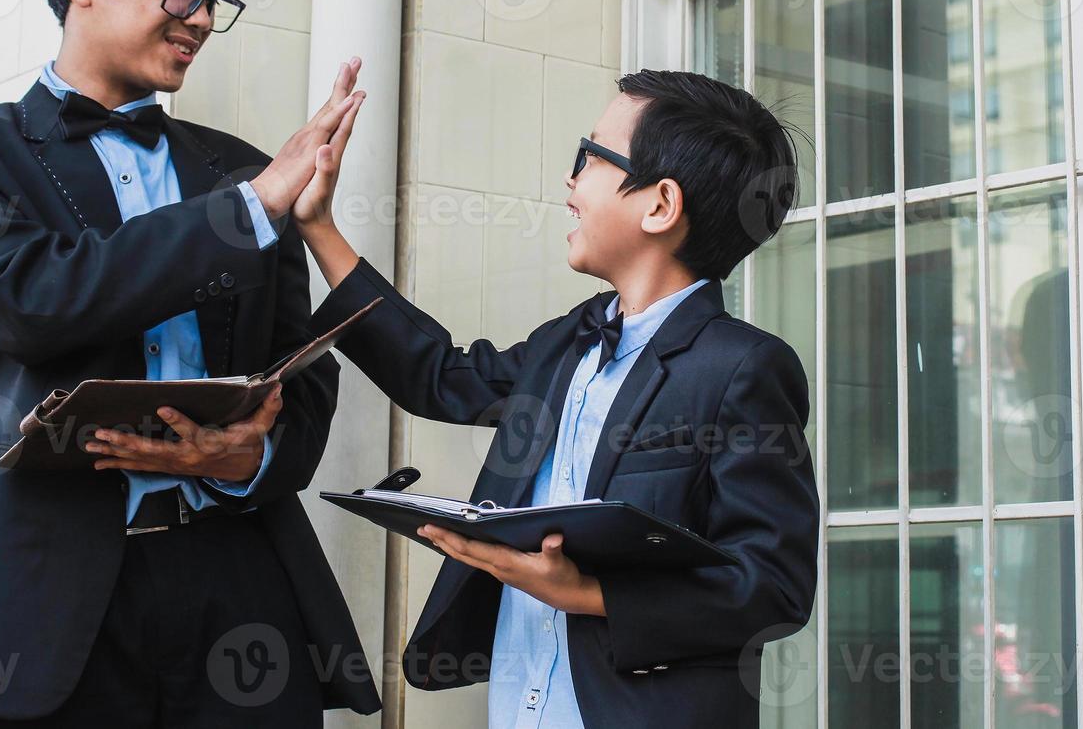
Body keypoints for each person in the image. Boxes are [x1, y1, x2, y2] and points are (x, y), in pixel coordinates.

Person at [0, 0, 378, 726]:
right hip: (38, 603)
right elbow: (27, 305)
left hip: (238, 585)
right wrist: (248, 213)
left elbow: (304, 380)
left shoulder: (241, 171)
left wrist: (247, 458)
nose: (203, 20)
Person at [289, 68, 819, 727]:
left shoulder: (743, 367)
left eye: (590, 157)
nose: (571, 182)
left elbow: (774, 587)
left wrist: (590, 594)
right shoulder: (570, 341)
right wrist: (318, 227)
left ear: (659, 205)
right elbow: (440, 376)